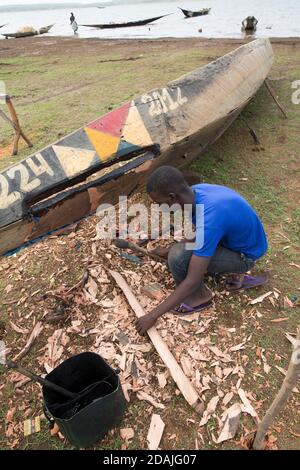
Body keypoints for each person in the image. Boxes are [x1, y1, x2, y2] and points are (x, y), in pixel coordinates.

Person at [135, 166, 268, 335]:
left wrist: (152, 316)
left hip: (245, 255)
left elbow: (192, 278)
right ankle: (233, 273)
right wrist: (169, 249)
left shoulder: (210, 217)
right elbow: (200, 230)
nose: (159, 208)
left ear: (172, 197)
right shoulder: (195, 193)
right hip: (239, 242)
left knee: (178, 258)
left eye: (159, 203)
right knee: (176, 251)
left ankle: (200, 298)